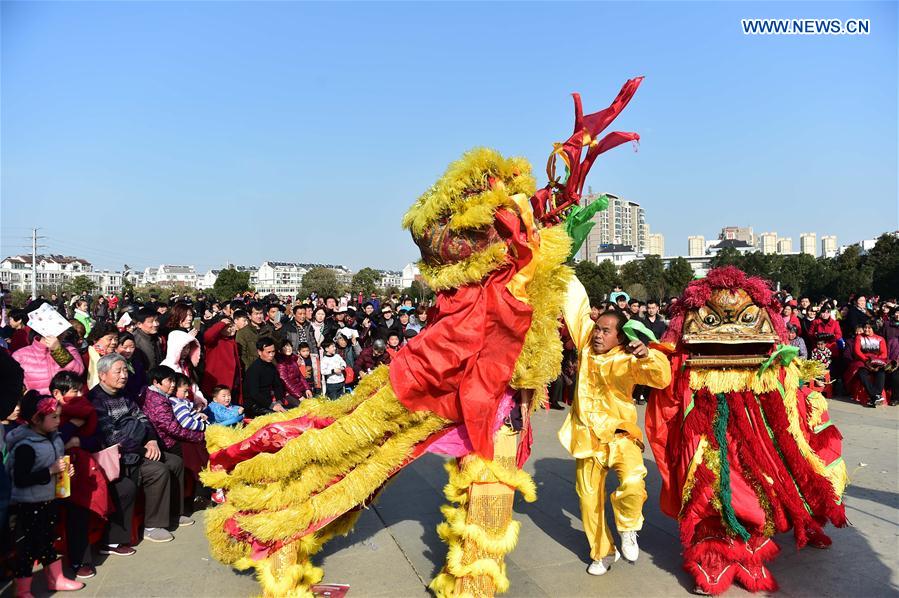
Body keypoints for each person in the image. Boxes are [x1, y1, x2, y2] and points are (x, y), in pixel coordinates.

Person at [558, 278, 671, 576]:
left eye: (606, 331)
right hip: (587, 439)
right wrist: (558, 265)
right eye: (598, 328)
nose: (598, 334)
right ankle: (603, 553)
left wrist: (648, 355)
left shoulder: (627, 360)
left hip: (621, 437)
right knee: (588, 500)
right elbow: (577, 307)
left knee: (634, 480)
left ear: (620, 338)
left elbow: (662, 378)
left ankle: (628, 527)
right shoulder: (585, 346)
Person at [90, 353, 191, 543]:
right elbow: (111, 436)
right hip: (120, 456)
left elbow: (142, 418)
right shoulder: (96, 400)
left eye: (125, 370)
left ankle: (173, 514)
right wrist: (142, 450)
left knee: (175, 461)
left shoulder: (124, 394)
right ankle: (153, 524)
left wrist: (151, 440)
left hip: (141, 445)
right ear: (103, 375)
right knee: (157, 470)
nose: (123, 375)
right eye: (118, 371)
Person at [6, 391, 85, 596]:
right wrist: (50, 470)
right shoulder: (25, 446)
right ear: (36, 419)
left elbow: (56, 464)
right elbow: (20, 479)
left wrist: (66, 471)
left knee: (48, 540)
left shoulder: (53, 438)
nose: (59, 421)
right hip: (28, 503)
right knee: (29, 547)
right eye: (54, 417)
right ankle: (22, 589)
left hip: (49, 499)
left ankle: (55, 578)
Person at [13, 331, 85, 395]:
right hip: (37, 407)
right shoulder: (20, 355)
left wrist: (58, 350)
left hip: (66, 407)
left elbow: (78, 371)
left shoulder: (69, 349)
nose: (65, 332)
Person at [201, 315, 243, 404]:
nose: (231, 329)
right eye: (228, 327)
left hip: (232, 385)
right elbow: (207, 335)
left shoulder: (232, 341)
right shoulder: (215, 341)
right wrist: (222, 323)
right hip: (218, 384)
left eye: (232, 326)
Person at [243, 337, 287, 417]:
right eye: (268, 352)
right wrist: (272, 405)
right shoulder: (254, 369)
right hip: (254, 406)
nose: (271, 355)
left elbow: (278, 385)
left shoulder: (271, 367)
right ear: (260, 352)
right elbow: (254, 393)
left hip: (268, 403)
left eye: (273, 352)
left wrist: (279, 402)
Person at [850, 322, 888, 407]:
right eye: (865, 327)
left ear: (873, 329)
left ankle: (875, 396)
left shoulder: (880, 339)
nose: (866, 329)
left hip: (877, 362)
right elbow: (857, 351)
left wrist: (876, 361)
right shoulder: (859, 337)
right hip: (863, 361)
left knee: (881, 373)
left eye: (869, 328)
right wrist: (866, 360)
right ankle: (875, 396)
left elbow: (884, 353)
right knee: (862, 374)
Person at [236, 303, 273, 371]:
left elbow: (277, 347)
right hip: (253, 369)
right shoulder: (242, 333)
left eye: (261, 313)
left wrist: (277, 331)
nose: (259, 316)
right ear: (249, 316)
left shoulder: (269, 329)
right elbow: (241, 355)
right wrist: (251, 369)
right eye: (256, 314)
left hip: (270, 368)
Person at [275, 339, 313, 406]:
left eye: (289, 346)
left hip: (300, 390)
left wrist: (307, 388)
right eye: (285, 347)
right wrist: (299, 396)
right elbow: (286, 382)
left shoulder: (293, 360)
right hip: (289, 393)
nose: (288, 348)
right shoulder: (281, 364)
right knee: (302, 407)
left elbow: (300, 376)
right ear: (280, 350)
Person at [86, 322, 120, 388]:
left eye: (116, 339)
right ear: (95, 339)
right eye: (110, 339)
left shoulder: (116, 357)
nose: (114, 342)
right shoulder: (87, 357)